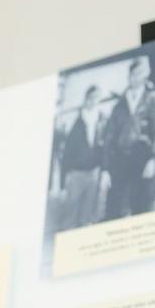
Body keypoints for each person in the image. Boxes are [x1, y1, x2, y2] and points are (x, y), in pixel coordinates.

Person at [101, 57, 155, 218]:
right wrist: (106, 168)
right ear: (129, 77)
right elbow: (109, 136)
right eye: (133, 74)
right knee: (114, 206)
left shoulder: (152, 98)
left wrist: (152, 158)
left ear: (145, 76)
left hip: (142, 156)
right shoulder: (119, 104)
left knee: (141, 205)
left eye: (139, 74)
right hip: (120, 159)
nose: (135, 78)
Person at [59, 84, 105, 227]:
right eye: (90, 98)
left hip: (93, 174)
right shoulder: (76, 119)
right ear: (85, 99)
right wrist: (63, 182)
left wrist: (103, 171)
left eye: (97, 98)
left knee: (87, 217)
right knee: (69, 216)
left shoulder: (102, 119)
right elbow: (66, 151)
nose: (93, 101)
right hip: (76, 174)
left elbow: (105, 148)